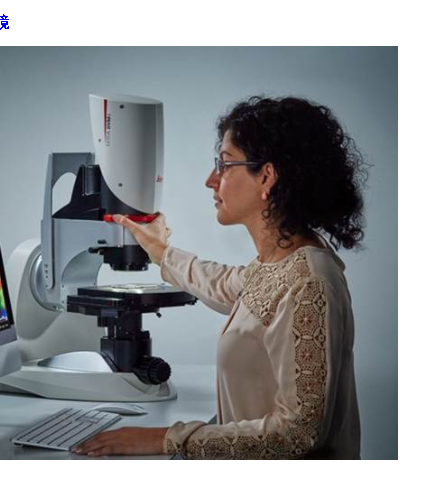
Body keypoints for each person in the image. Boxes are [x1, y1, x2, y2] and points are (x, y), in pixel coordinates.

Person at [72, 96, 366, 459]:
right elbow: (229, 284)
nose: (211, 180)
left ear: (267, 177)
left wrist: (167, 439)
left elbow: (298, 433)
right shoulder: (282, 263)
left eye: (224, 165)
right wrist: (161, 251)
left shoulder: (308, 282)